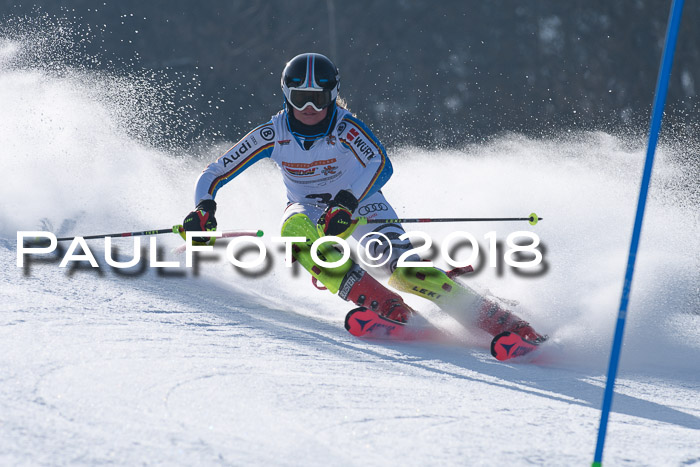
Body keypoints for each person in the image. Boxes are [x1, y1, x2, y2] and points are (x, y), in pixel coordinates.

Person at [183, 52, 545, 343]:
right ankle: (388, 307)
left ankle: (502, 322)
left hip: (363, 204)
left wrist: (347, 202)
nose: (310, 109)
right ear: (286, 96)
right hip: (308, 207)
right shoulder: (272, 134)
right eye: (300, 99)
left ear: (332, 95)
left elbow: (380, 164)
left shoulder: (345, 127)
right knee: (295, 229)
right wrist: (204, 208)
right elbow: (215, 172)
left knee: (405, 270)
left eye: (319, 99)